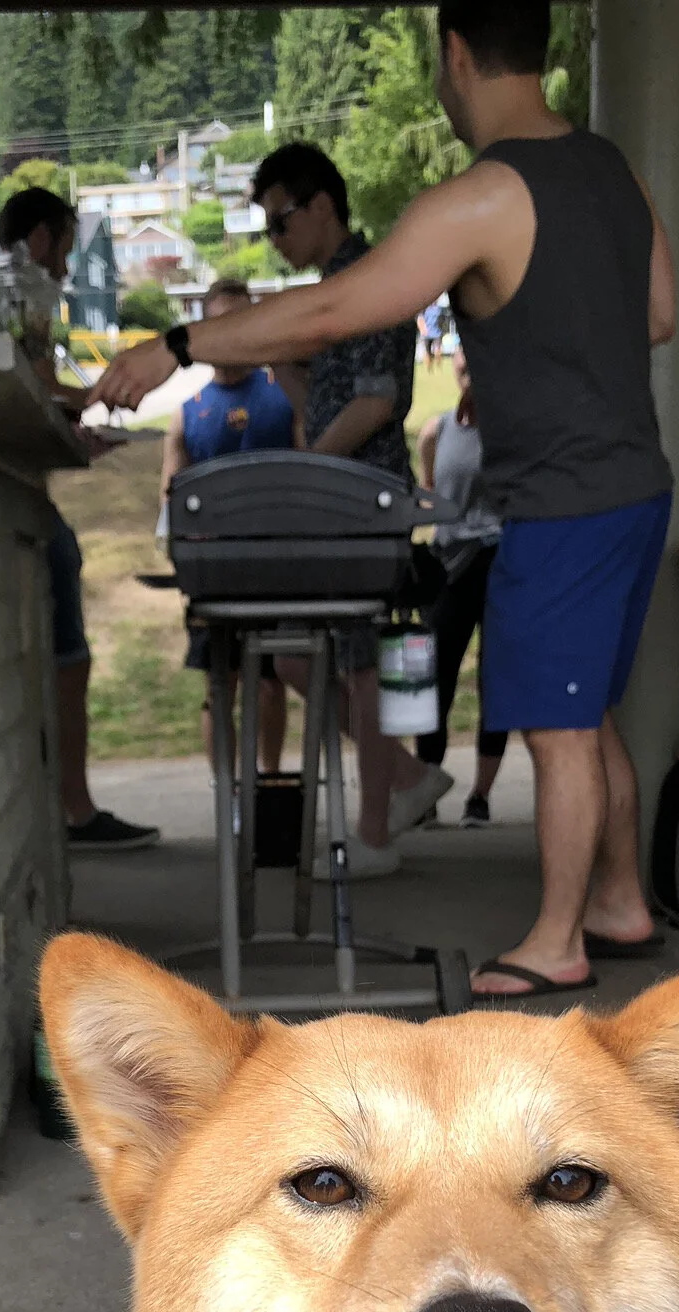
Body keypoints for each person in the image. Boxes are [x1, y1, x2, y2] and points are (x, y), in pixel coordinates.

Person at [90, 0, 675, 995]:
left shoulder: (482, 196)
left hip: (563, 500)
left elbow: (331, 309)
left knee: (561, 728)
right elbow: (658, 313)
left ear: (454, 56)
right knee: (592, 711)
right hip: (634, 487)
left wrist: (174, 346)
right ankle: (618, 901)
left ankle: (556, 938)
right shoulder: (613, 170)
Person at [247, 141, 451, 880]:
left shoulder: (368, 285)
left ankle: (374, 832)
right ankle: (402, 779)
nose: (275, 240)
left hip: (366, 497)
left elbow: (376, 401)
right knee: (313, 654)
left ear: (321, 205)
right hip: (348, 493)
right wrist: (285, 375)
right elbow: (336, 402)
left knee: (364, 664)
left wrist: (312, 469)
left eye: (280, 221)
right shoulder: (334, 290)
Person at [0, 188, 158, 851]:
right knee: (69, 646)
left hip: (20, 491)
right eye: (64, 247)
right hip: (18, 503)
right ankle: (76, 808)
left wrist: (74, 427)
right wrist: (97, 395)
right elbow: (34, 387)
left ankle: (64, 802)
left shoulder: (6, 291)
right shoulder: (23, 290)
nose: (66, 266)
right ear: (42, 238)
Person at [160, 277, 294, 774]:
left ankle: (273, 779)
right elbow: (169, 497)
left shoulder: (285, 395)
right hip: (213, 571)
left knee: (270, 678)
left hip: (275, 565)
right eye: (223, 324)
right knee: (220, 684)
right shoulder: (187, 413)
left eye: (243, 322)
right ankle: (228, 795)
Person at [414, 344, 508, 826]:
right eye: (463, 364)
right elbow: (430, 497)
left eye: (478, 364)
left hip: (498, 561)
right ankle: (423, 793)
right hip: (449, 565)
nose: (470, 373)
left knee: (495, 677)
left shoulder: (513, 432)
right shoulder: (437, 430)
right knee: (432, 679)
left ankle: (481, 796)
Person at [418, 298, 445, 365]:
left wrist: (422, 329)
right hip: (434, 333)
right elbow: (442, 321)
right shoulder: (439, 309)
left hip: (428, 333)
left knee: (429, 352)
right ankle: (436, 365)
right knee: (435, 350)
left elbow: (420, 319)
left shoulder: (425, 309)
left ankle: (430, 368)